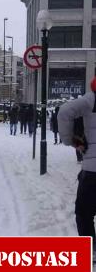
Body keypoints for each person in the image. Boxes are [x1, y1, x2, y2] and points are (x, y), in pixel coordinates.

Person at [58, 78, 96, 242]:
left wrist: (70, 140)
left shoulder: (91, 100)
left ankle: (91, 248)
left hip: (93, 171)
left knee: (83, 212)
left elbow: (64, 112)